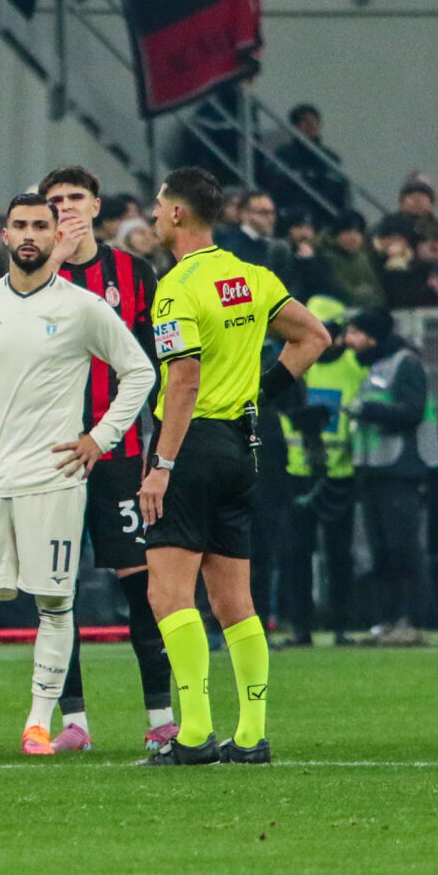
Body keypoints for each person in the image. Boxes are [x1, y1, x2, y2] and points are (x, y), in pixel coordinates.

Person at [0, 194, 154, 757]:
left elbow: (138, 371)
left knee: (54, 604)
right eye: (21, 226)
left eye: (42, 224)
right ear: (6, 237)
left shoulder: (82, 306)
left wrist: (99, 438)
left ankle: (38, 724)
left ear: (53, 234)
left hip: (54, 478)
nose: (31, 234)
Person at [138, 167, 332, 765]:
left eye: (157, 206)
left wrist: (162, 463)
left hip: (190, 447)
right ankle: (250, 735)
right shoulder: (252, 277)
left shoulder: (175, 287)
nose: (151, 215)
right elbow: (314, 337)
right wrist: (260, 394)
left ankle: (193, 734)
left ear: (176, 214)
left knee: (168, 596)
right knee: (235, 602)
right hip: (243, 450)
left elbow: (185, 380)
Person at [41, 164, 178, 750]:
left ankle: (160, 716)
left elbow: (157, 366)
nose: (66, 208)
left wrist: (160, 451)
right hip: (51, 457)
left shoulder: (135, 273)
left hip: (120, 455)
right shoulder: (29, 278)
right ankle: (74, 722)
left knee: (140, 585)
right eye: (55, 202)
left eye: (76, 198)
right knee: (56, 591)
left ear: (97, 207)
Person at [346, 305, 438, 646]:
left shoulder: (406, 364)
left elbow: (412, 412)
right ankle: (388, 620)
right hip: (374, 470)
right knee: (382, 550)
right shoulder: (375, 368)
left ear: (373, 336)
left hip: (400, 469)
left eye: (355, 333)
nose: (349, 340)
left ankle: (411, 620)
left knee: (404, 549)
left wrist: (368, 410)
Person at [276, 295, 364, 647]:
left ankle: (340, 625)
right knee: (297, 555)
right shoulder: (296, 362)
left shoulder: (357, 368)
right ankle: (302, 628)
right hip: (298, 474)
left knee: (339, 557)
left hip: (341, 476)